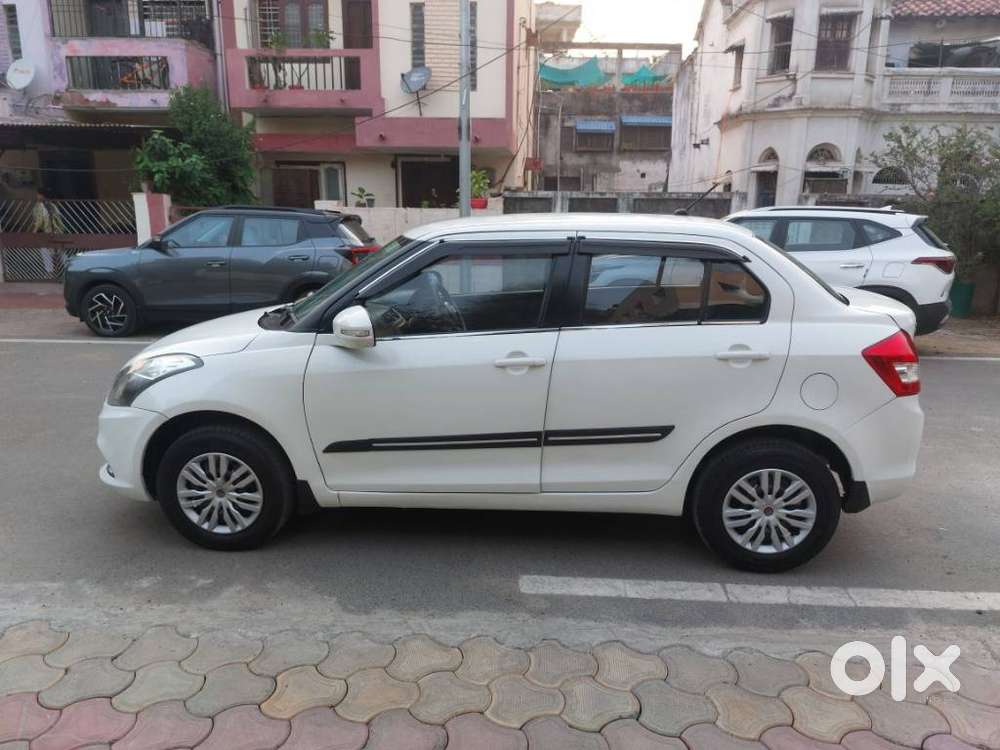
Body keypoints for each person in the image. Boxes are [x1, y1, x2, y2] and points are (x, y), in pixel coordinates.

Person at [31, 188, 64, 278]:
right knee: (59, 251)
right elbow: (59, 218)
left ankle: (50, 272)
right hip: (56, 231)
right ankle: (66, 269)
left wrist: (34, 231)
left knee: (45, 251)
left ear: (41, 195)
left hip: (47, 232)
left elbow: (39, 220)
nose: (37, 196)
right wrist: (61, 230)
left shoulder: (40, 205)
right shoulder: (52, 205)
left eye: (38, 194)